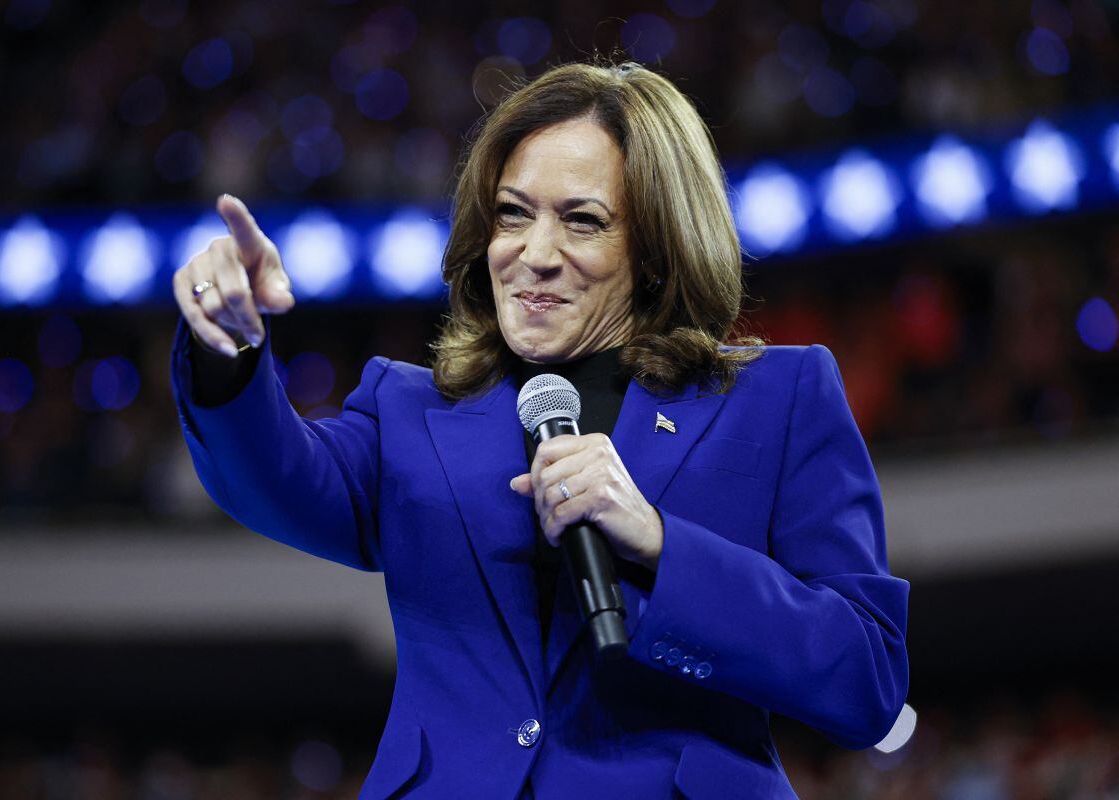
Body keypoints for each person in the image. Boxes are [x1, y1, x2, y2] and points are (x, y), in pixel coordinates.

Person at [170, 60, 909, 799]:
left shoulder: (778, 397)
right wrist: (227, 353)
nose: (536, 254)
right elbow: (275, 479)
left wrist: (658, 541)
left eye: (582, 220)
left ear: (654, 248)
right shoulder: (407, 410)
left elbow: (865, 679)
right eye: (513, 213)